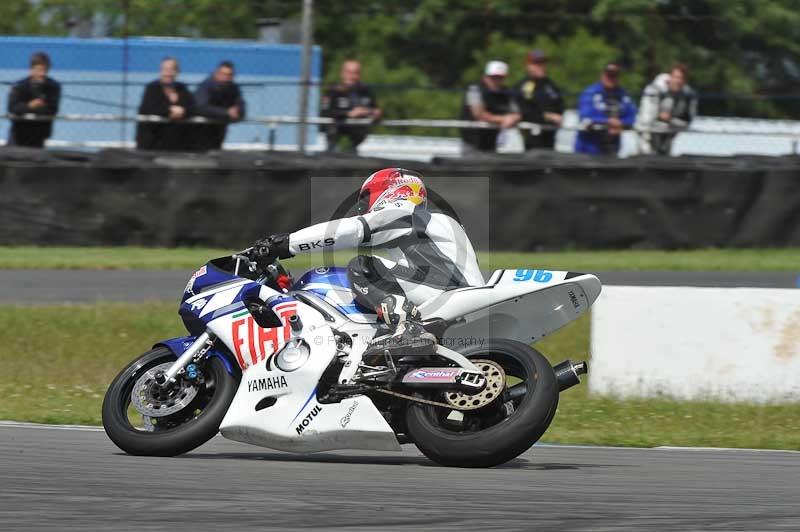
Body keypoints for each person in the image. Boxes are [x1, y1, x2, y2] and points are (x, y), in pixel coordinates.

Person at [252, 168, 483, 354]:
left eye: (365, 197)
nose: (363, 206)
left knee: (364, 267)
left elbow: (353, 230)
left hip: (449, 291)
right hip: (453, 297)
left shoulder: (410, 215)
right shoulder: (425, 225)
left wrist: (285, 244)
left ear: (392, 191)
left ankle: (408, 329)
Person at [575, 63, 637, 156]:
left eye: (614, 76)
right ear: (602, 75)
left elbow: (632, 116)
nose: (611, 79)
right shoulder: (590, 92)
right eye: (609, 75)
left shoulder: (623, 95)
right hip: (589, 148)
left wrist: (621, 123)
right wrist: (608, 122)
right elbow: (585, 115)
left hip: (613, 148)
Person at [460, 60, 521, 154]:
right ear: (485, 76)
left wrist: (512, 118)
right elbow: (478, 114)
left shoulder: (507, 92)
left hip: (492, 143)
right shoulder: (474, 89)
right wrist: (503, 119)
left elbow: (517, 113)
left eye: (500, 78)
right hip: (472, 143)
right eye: (493, 77)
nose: (496, 81)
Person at [321, 60, 382, 152]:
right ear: (342, 73)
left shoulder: (365, 91)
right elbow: (325, 112)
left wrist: (373, 113)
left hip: (357, 139)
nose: (352, 76)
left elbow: (375, 109)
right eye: (349, 72)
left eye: (356, 73)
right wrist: (348, 114)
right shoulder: (333, 91)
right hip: (336, 136)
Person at [136, 57, 195, 151]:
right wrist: (169, 111)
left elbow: (193, 107)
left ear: (177, 72)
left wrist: (183, 111)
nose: (168, 73)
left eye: (171, 70)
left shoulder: (182, 89)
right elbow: (148, 108)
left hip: (176, 144)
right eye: (165, 69)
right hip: (152, 143)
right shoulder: (152, 88)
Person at [637, 64, 697, 155]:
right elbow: (647, 120)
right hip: (648, 135)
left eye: (681, 78)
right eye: (676, 77)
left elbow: (687, 123)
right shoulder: (654, 90)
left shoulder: (688, 95)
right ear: (670, 77)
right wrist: (669, 121)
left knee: (665, 162)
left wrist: (669, 120)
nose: (678, 81)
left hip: (669, 136)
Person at [6, 52, 61, 148]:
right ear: (31, 69)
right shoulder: (19, 86)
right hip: (19, 133)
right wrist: (29, 106)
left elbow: (53, 109)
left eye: (45, 70)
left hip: (40, 133)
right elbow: (12, 108)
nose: (42, 73)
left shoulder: (53, 87)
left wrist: (40, 106)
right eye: (39, 70)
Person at [514, 49, 564, 150]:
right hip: (532, 137)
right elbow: (525, 111)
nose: (540, 67)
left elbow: (560, 104)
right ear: (528, 65)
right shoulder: (524, 85)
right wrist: (548, 116)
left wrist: (558, 116)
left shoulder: (550, 85)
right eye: (536, 63)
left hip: (550, 136)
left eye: (543, 63)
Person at [193, 60, 246, 151]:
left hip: (219, 129)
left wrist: (237, 112)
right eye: (223, 74)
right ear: (216, 73)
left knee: (215, 154)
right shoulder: (206, 86)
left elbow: (241, 106)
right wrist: (226, 112)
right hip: (201, 130)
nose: (225, 78)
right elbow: (200, 107)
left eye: (229, 75)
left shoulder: (233, 88)